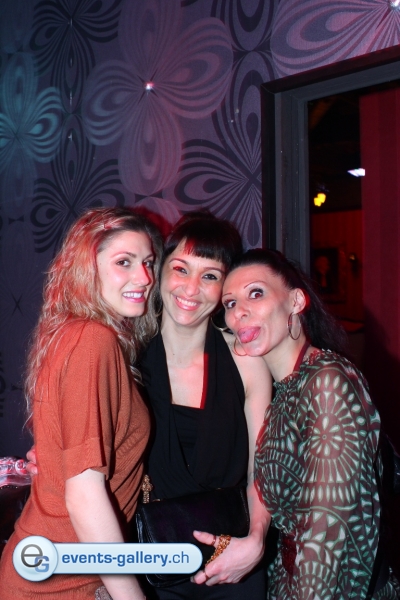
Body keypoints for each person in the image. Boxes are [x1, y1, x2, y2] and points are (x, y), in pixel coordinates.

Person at [0, 207, 163, 600]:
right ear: (87, 268)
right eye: (124, 262)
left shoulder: (71, 333)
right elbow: (85, 494)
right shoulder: (93, 341)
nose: (144, 277)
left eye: (148, 263)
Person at [221, 248, 398, 600]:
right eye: (229, 303)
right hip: (289, 581)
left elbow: (325, 530)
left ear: (296, 301)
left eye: (255, 293)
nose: (238, 311)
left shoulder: (327, 380)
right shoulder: (285, 389)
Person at [138, 213, 272, 599]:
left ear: (223, 288)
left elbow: (260, 467)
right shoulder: (127, 357)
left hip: (233, 560)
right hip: (151, 564)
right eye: (181, 269)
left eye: (210, 275)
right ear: (160, 271)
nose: (191, 288)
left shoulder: (246, 360)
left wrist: (256, 540)